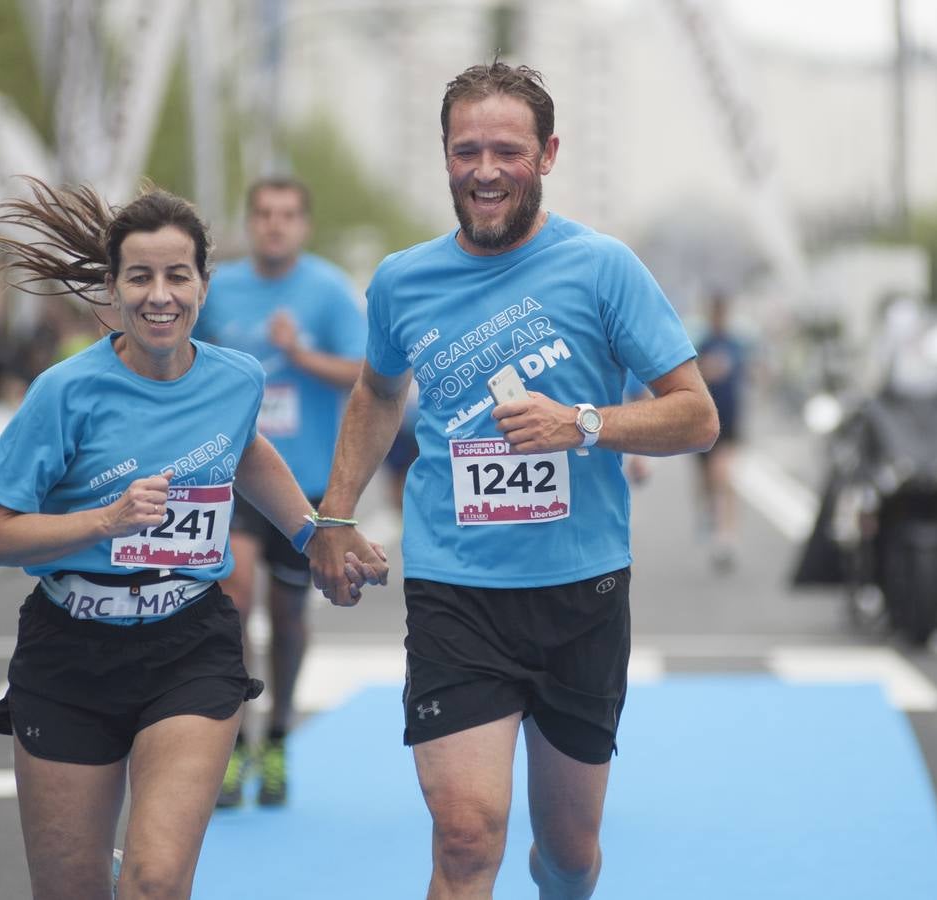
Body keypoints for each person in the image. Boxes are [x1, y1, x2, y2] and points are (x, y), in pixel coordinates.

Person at [307, 62, 718, 899]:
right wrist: (335, 516)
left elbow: (696, 415)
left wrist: (584, 423)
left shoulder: (603, 269)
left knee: (569, 855)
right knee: (464, 837)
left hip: (581, 592)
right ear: (445, 156)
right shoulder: (401, 280)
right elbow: (379, 391)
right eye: (467, 151)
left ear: (549, 154)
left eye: (506, 150)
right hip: (456, 591)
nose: (485, 170)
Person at [0, 178, 385, 900]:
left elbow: (247, 450)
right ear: (113, 287)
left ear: (204, 286)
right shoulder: (64, 393)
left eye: (177, 275)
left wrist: (314, 532)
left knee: (157, 881)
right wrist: (103, 522)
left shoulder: (235, 379)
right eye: (139, 277)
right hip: (69, 650)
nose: (158, 295)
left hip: (187, 643)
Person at [194, 177, 366, 807]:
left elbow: (365, 374)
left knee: (290, 616)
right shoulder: (221, 291)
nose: (274, 225)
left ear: (304, 225)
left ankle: (280, 732)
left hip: (307, 480)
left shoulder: (326, 290)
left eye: (287, 215)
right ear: (250, 222)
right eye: (263, 214)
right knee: (234, 598)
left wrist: (301, 353)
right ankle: (235, 740)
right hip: (234, 475)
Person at [694, 293, 749, 572]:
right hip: (704, 422)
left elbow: (748, 373)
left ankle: (727, 535)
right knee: (706, 481)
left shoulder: (736, 344)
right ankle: (710, 515)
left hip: (729, 420)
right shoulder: (702, 344)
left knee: (724, 477)